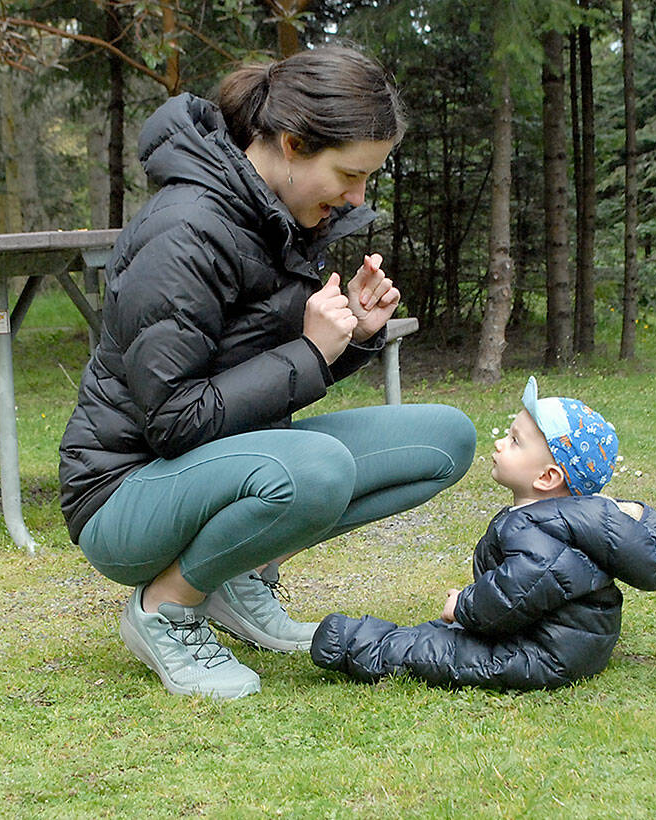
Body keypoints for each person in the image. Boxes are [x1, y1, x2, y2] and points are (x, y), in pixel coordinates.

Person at [58, 45, 478, 699]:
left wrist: (352, 342)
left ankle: (234, 574)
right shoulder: (186, 231)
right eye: (348, 173)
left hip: (214, 467)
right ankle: (164, 608)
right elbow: (174, 419)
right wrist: (310, 351)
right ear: (291, 143)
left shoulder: (273, 218)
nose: (357, 196)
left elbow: (253, 387)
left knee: (443, 441)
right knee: (317, 468)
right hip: (123, 496)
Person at [310, 376, 656, 690]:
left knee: (440, 652)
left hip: (546, 653)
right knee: (451, 641)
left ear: (547, 478)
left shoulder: (539, 526)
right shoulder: (556, 517)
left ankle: (351, 642)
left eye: (515, 441)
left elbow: (514, 596)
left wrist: (462, 605)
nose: (499, 442)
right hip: (572, 643)